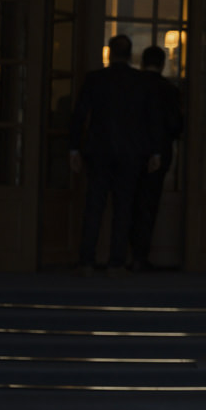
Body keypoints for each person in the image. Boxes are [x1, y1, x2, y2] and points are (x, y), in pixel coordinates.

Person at [69, 35, 158, 273]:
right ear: (130, 55)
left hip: (99, 150)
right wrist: (154, 151)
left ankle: (87, 260)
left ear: (109, 53)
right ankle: (116, 262)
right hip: (130, 152)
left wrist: (74, 148)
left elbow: (79, 116)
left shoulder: (95, 79)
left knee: (94, 206)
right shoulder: (141, 82)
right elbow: (150, 119)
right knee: (124, 208)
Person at [129, 43, 184, 270]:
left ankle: (122, 254)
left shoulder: (132, 85)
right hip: (159, 153)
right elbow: (176, 125)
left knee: (127, 203)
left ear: (142, 63)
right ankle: (140, 255)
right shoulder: (169, 90)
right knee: (149, 205)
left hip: (130, 151)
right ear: (162, 65)